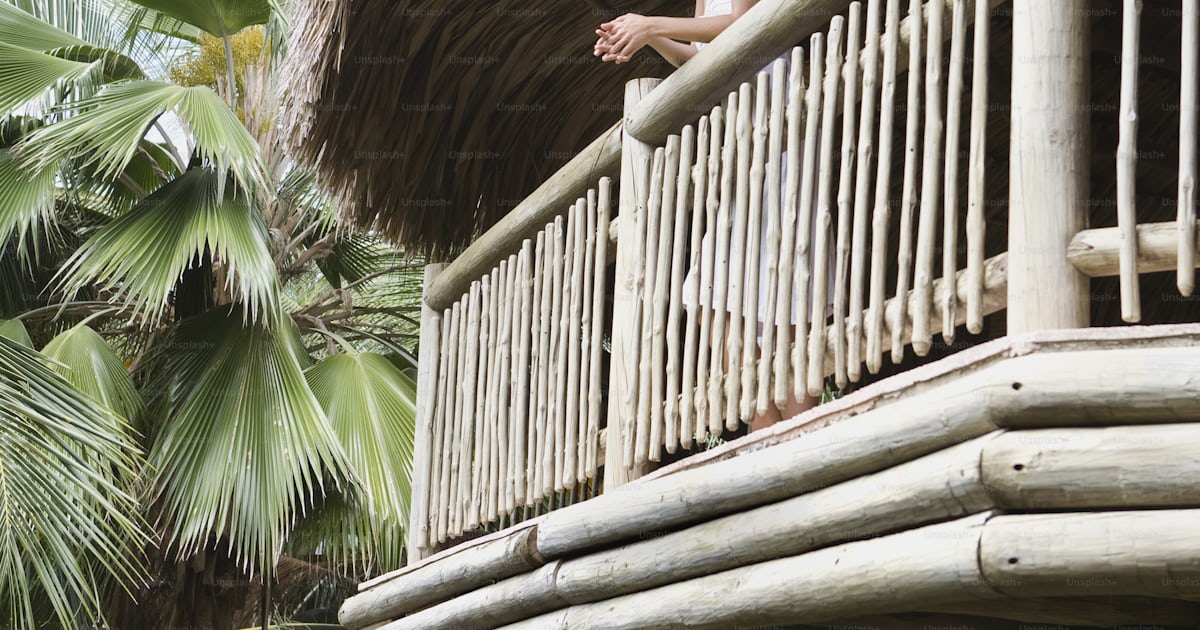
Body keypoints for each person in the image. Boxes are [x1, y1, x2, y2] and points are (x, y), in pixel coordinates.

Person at [594, 1, 819, 433]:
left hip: (779, 140)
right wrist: (648, 36)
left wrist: (650, 24)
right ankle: (764, 452)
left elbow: (742, 26)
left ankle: (799, 446)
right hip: (739, 157)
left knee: (787, 305)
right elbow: (701, 55)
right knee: (714, 300)